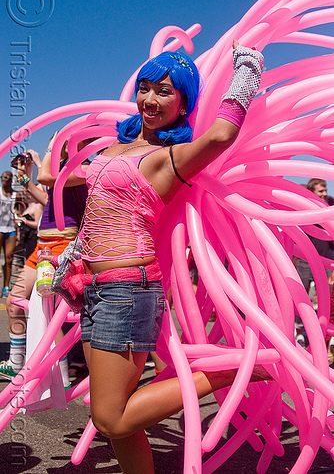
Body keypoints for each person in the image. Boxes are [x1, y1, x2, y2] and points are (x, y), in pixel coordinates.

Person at [70, 41, 265, 473]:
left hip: (127, 291)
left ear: (183, 104)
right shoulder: (109, 150)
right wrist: (72, 260)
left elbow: (220, 135)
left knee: (109, 417)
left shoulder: (166, 159)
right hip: (96, 290)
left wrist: (247, 70)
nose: (150, 99)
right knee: (123, 420)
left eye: (164, 91)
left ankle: (235, 371)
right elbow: (96, 212)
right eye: (145, 87)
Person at [0, 137, 90, 381]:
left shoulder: (81, 170)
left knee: (48, 312)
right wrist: (23, 176)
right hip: (41, 247)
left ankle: (59, 375)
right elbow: (45, 198)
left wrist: (48, 151)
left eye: (60, 140)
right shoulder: (63, 173)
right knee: (13, 300)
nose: (54, 144)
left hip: (60, 247)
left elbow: (45, 178)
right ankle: (16, 362)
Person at [295, 178, 334, 347]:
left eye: (325, 189)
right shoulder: (303, 206)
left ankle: (324, 334)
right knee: (300, 296)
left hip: (327, 260)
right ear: (312, 193)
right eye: (320, 191)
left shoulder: (331, 203)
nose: (325, 193)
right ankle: (299, 332)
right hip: (306, 259)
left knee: (327, 300)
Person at [0, 171, 21, 297]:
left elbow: (20, 211)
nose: (4, 179)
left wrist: (18, 230)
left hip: (10, 229)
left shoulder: (15, 195)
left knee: (9, 259)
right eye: (2, 177)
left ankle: (5, 288)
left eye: (7, 177)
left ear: (11, 179)